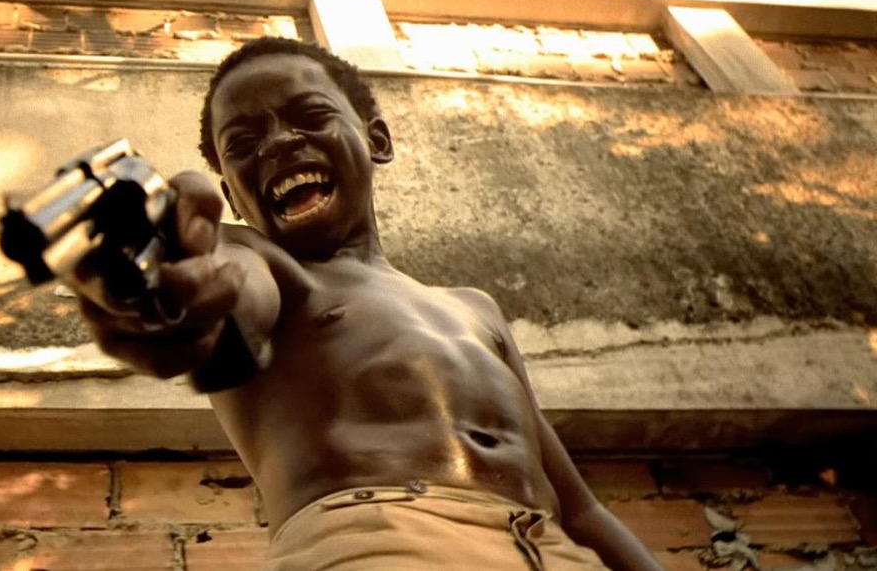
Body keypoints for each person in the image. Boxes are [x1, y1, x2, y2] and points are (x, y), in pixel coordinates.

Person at [75, 37, 662, 570]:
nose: (279, 142)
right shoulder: (259, 260)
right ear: (231, 194)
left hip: (555, 551)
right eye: (245, 143)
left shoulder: (475, 308)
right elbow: (233, 293)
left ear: (376, 139)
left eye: (310, 116)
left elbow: (580, 508)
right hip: (379, 542)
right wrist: (173, 296)